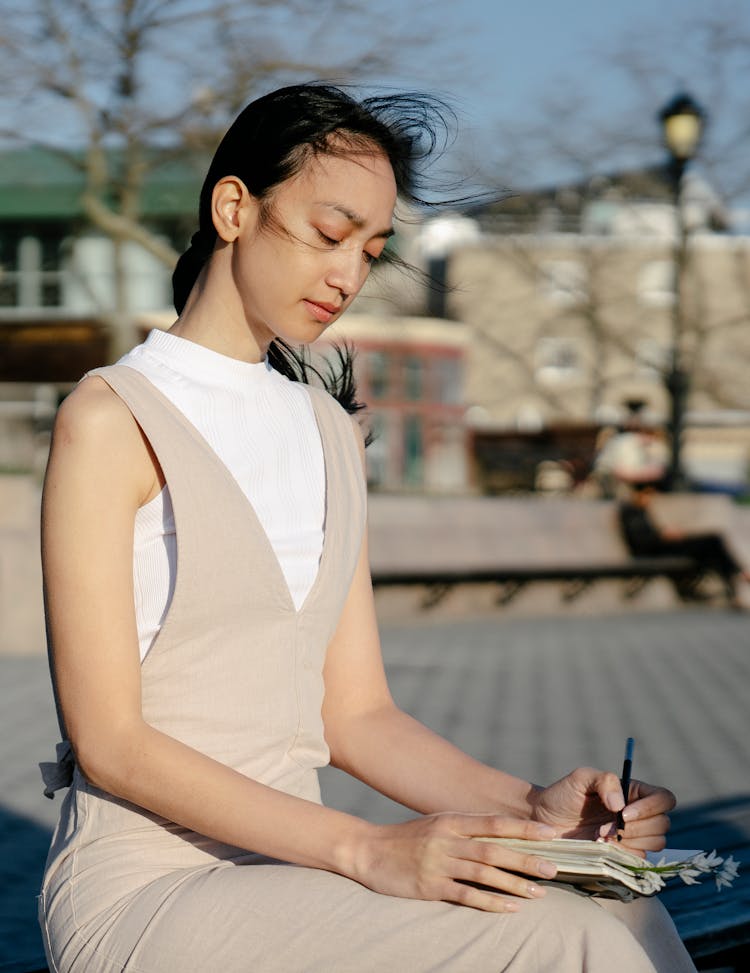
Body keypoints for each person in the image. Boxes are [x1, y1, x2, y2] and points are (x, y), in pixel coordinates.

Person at [38, 83, 696, 972]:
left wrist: (535, 808)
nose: (348, 273)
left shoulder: (326, 431)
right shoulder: (113, 419)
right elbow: (111, 742)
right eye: (328, 233)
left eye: (372, 250)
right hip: (148, 886)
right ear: (235, 207)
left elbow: (358, 715)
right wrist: (367, 847)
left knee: (618, 916)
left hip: (291, 870)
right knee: (563, 939)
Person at [618, 482, 749, 608]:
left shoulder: (640, 510)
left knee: (712, 550)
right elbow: (642, 541)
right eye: (648, 495)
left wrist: (666, 533)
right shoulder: (630, 511)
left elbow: (649, 534)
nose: (651, 499)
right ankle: (738, 574)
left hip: (662, 548)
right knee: (711, 543)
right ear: (640, 494)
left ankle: (734, 582)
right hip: (655, 551)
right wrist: (663, 536)